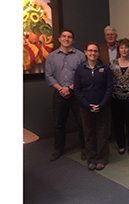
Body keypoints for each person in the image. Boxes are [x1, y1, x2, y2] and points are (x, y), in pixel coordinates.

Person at [44, 29, 86, 161]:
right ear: (59, 39)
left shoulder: (80, 55)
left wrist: (70, 88)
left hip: (77, 94)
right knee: (58, 124)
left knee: (82, 122)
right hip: (59, 93)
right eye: (64, 36)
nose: (66, 39)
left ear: (72, 40)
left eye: (69, 37)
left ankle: (85, 148)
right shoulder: (52, 56)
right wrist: (61, 89)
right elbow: (49, 76)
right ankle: (58, 149)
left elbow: (82, 75)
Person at [73, 42, 113, 171]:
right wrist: (87, 105)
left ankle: (102, 158)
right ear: (85, 52)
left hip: (103, 107)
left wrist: (101, 104)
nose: (93, 53)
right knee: (89, 133)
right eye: (90, 51)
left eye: (95, 51)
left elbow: (109, 88)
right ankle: (91, 158)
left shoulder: (105, 69)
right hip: (85, 108)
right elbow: (77, 90)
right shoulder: (80, 69)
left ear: (98, 53)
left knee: (102, 133)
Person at [109, 38, 129, 155]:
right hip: (116, 99)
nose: (124, 50)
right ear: (118, 49)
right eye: (121, 47)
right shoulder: (113, 63)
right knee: (118, 123)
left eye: (126, 47)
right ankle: (121, 145)